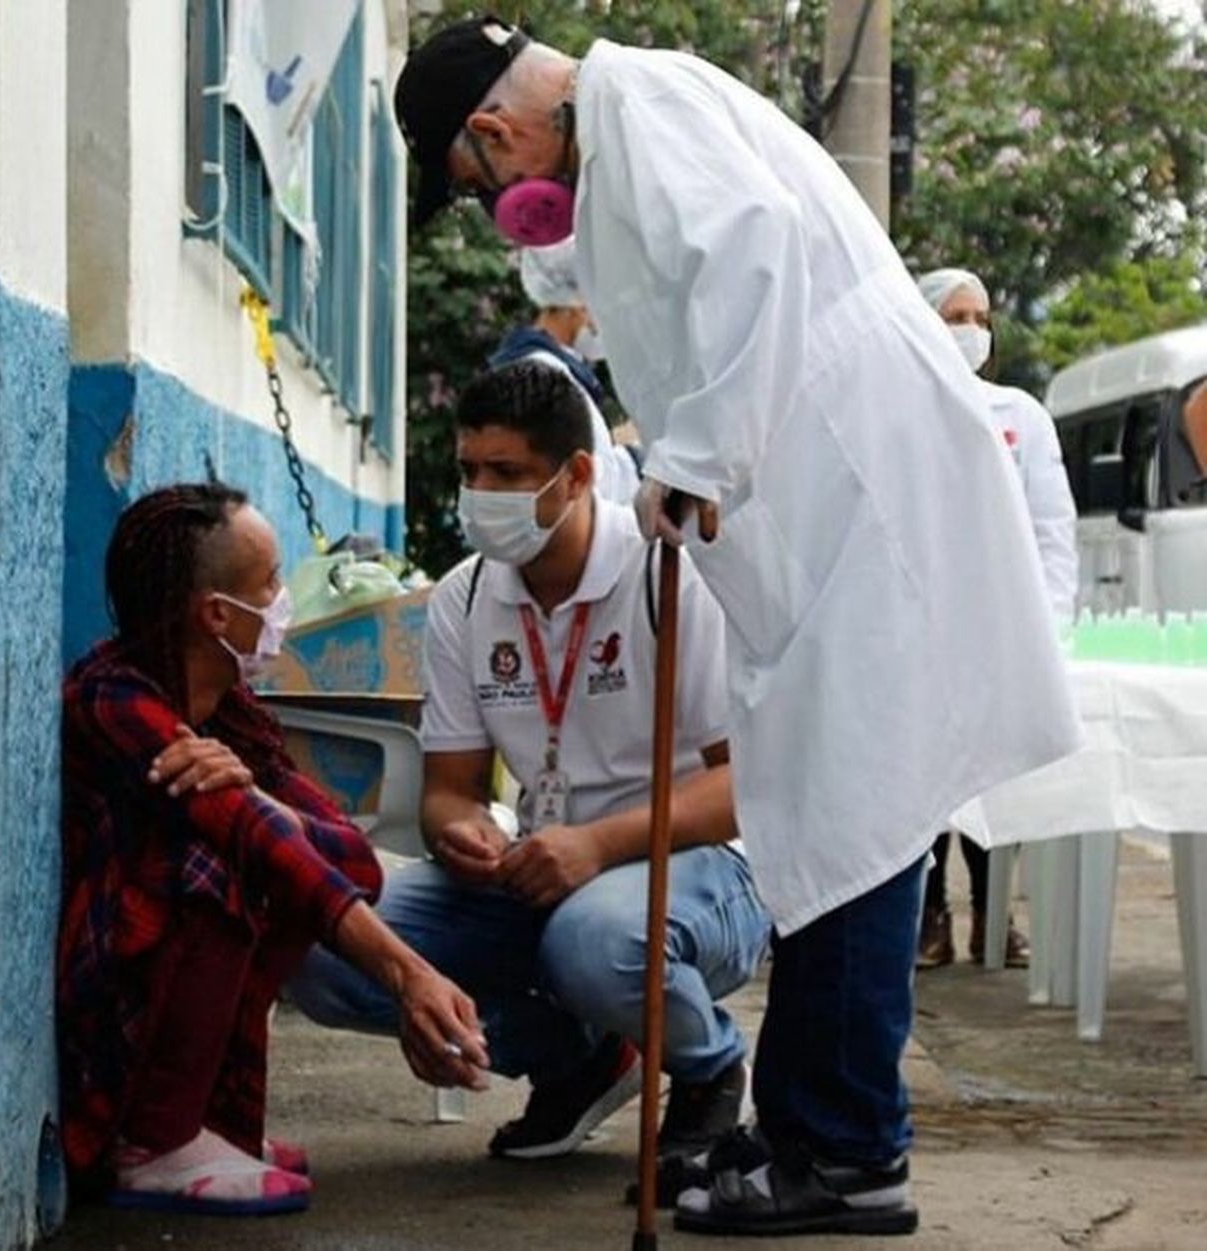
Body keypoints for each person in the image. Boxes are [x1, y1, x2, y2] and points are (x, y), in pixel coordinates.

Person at [394, 17, 1080, 1237]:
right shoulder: (624, 129)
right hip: (823, 508)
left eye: (474, 178)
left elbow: (749, 257)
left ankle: (853, 1153)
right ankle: (807, 1125)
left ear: (492, 130)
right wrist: (684, 465)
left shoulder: (639, 109)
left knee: (858, 828)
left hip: (862, 501)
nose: (499, 200)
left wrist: (693, 459)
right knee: (827, 821)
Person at [290, 361, 769, 1170]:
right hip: (539, 865)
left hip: (695, 865)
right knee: (321, 949)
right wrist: (463, 833)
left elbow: (744, 790)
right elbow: (449, 791)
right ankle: (575, 1058)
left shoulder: (666, 575)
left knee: (593, 940)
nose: (481, 493)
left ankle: (708, 1066)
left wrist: (599, 845)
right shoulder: (466, 597)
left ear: (576, 475)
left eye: (506, 473)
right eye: (470, 471)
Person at [57, 483, 488, 1217]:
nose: (284, 600)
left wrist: (254, 793)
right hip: (109, 1011)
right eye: (272, 583)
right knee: (217, 868)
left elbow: (351, 859)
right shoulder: (115, 699)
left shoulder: (229, 714)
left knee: (270, 871)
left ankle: (212, 1127)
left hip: (170, 974)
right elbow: (259, 842)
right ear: (218, 613)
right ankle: (153, 1141)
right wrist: (406, 976)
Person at [915, 266, 1080, 970]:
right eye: (957, 315)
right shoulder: (902, 408)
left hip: (1000, 628)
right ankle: (927, 919)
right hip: (919, 629)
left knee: (994, 779)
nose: (972, 332)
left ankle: (992, 918)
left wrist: (1048, 626)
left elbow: (1052, 526)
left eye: (981, 319)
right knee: (924, 785)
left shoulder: (1020, 414)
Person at [488, 236, 642, 503]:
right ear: (576, 304)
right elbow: (591, 486)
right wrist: (636, 456)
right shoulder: (544, 379)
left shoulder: (538, 371)